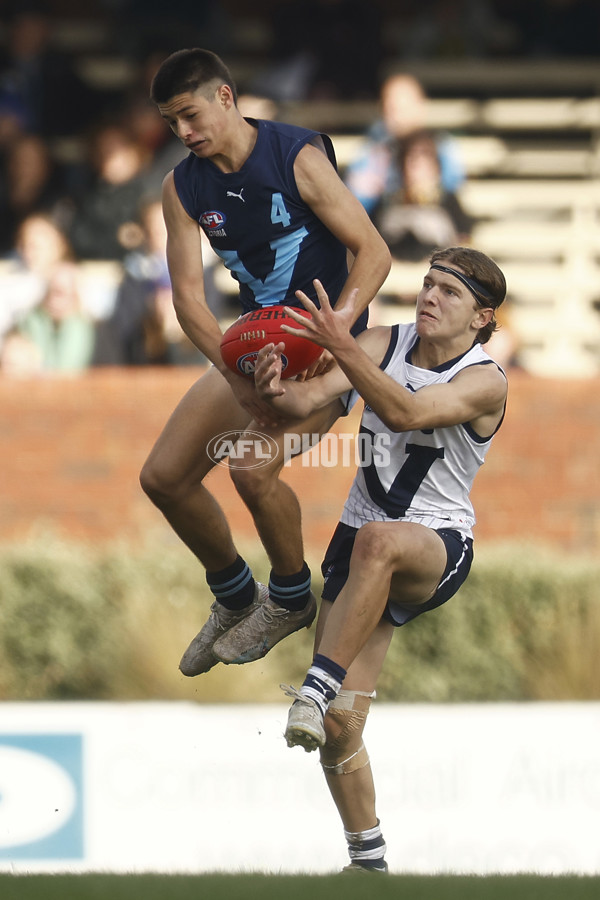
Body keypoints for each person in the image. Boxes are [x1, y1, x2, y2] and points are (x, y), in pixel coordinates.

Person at [252, 246, 508, 873]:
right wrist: (273, 381)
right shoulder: (383, 340)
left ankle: (313, 689)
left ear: (481, 319)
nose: (430, 297)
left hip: (433, 543)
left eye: (450, 292)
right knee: (339, 729)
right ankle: (367, 861)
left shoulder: (485, 379)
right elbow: (299, 405)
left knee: (381, 540)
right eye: (427, 284)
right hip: (357, 540)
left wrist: (343, 347)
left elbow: (406, 410)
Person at [138, 49, 391, 675]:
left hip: (326, 354)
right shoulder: (182, 187)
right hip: (257, 349)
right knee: (163, 478)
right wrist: (237, 377)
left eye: (190, 115)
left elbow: (374, 253)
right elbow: (190, 302)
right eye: (172, 123)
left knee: (250, 470)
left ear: (226, 97)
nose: (184, 133)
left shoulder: (296, 157)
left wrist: (333, 335)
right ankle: (233, 596)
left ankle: (288, 597)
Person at [344, 72, 465, 218]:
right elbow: (356, 204)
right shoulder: (373, 150)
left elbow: (450, 193)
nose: (394, 115)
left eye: (401, 106)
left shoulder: (442, 147)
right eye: (389, 107)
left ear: (420, 106)